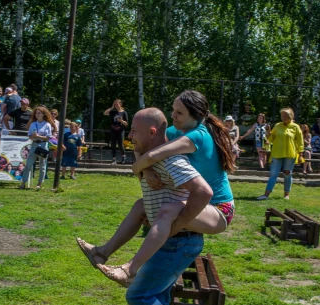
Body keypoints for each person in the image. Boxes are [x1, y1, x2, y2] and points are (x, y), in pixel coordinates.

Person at [81, 108, 210, 305]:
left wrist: (179, 221)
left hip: (180, 242)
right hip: (172, 241)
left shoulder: (172, 160)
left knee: (139, 295)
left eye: (134, 131)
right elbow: (142, 156)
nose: (129, 135)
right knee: (159, 298)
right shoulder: (153, 157)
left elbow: (203, 191)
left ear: (152, 133)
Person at [81, 90, 235, 286]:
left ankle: (130, 270)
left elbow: (153, 156)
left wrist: (138, 168)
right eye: (173, 110)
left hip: (220, 209)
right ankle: (101, 253)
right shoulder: (176, 131)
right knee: (140, 206)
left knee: (167, 211)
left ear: (195, 115)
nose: (173, 116)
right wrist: (146, 172)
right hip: (199, 202)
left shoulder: (197, 136)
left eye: (179, 113)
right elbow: (142, 147)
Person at [256, 108, 304, 200]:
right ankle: (266, 194)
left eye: (285, 116)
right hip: (277, 153)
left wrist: (300, 154)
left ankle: (286, 194)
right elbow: (271, 138)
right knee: (273, 174)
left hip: (290, 154)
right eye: (282, 116)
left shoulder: (295, 127)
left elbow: (300, 141)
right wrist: (268, 134)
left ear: (290, 117)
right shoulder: (277, 126)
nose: (283, 117)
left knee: (287, 174)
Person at [19, 106, 56, 190]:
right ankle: (23, 183)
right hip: (34, 145)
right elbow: (30, 136)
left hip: (43, 145)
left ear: (43, 114)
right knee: (28, 164)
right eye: (36, 113)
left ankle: (39, 184)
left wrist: (38, 136)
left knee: (42, 165)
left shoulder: (47, 125)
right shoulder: (33, 124)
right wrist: (34, 137)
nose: (37, 114)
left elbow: (48, 138)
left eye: (39, 113)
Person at [104, 99, 128, 164]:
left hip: (120, 129)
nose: (116, 105)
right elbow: (105, 113)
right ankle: (114, 159)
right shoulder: (113, 112)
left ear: (120, 104)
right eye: (115, 104)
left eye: (117, 104)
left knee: (120, 144)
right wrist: (112, 107)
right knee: (113, 144)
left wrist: (121, 121)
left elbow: (126, 123)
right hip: (113, 129)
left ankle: (123, 157)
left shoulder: (124, 112)